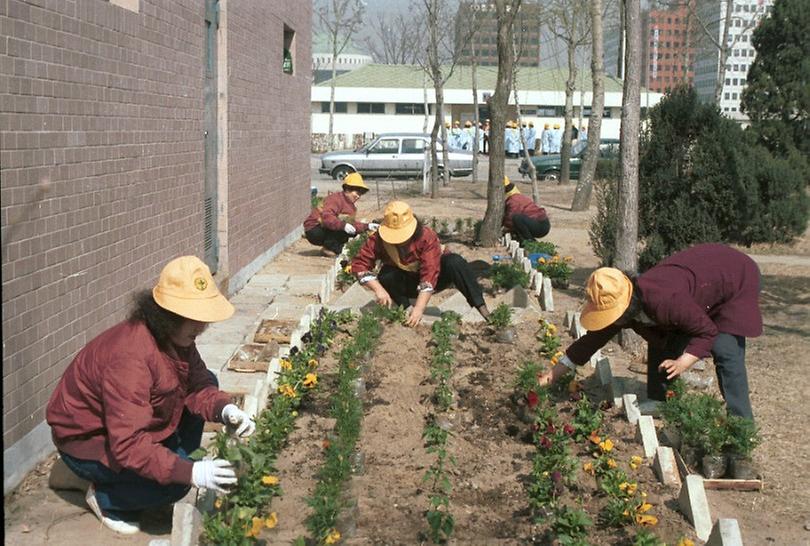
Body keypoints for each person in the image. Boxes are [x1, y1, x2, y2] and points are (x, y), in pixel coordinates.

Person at [46, 256, 256, 535]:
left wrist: (225, 409)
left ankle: (144, 478)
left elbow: (198, 383)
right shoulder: (129, 358)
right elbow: (129, 444)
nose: (202, 327)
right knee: (177, 483)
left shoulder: (175, 338)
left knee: (207, 391)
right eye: (195, 319)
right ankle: (105, 497)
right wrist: (190, 473)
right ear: (169, 316)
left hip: (120, 429)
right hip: (88, 441)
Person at [538, 243, 762, 423]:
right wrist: (552, 374)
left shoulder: (666, 301)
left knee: (726, 350)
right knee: (660, 335)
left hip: (733, 277)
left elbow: (706, 331)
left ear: (626, 306)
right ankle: (660, 399)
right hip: (700, 287)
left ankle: (742, 426)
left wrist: (684, 361)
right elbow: (590, 341)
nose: (609, 321)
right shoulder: (629, 304)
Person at [351, 201, 491, 327]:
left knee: (455, 262)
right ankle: (405, 310)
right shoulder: (378, 239)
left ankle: (484, 311)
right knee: (386, 275)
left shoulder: (426, 236)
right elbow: (360, 264)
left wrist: (419, 309)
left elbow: (429, 273)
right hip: (406, 282)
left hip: (436, 279)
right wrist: (378, 289)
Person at [303, 172, 377, 257]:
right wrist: (343, 225)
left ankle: (329, 248)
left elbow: (352, 224)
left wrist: (367, 226)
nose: (358, 196)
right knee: (342, 231)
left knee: (352, 232)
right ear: (348, 189)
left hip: (325, 228)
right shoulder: (335, 199)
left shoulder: (351, 207)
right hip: (314, 229)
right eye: (356, 193)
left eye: (360, 194)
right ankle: (332, 248)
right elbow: (327, 218)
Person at [502, 177, 550, 245]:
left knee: (517, 219)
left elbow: (510, 218)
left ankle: (530, 242)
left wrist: (504, 227)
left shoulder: (514, 200)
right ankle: (527, 241)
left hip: (540, 225)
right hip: (541, 223)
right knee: (517, 222)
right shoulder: (517, 196)